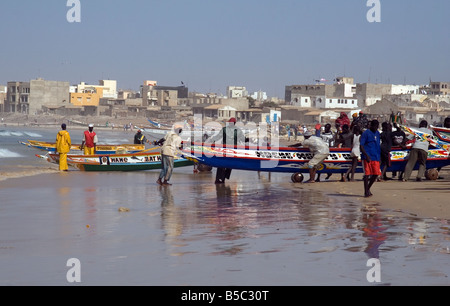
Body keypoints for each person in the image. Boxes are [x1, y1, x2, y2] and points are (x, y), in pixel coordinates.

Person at [210, 117, 246, 184]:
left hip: (224, 149)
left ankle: (219, 179)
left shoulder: (225, 129)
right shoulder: (238, 130)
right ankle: (223, 179)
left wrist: (211, 140)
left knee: (221, 164)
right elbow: (243, 139)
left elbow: (218, 137)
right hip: (232, 150)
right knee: (229, 164)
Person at [360, 120, 381, 198]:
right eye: (374, 126)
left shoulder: (378, 133)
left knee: (376, 174)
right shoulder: (366, 133)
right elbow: (361, 146)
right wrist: (366, 155)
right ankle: (366, 192)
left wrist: (379, 157)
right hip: (367, 157)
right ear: (371, 125)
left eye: (377, 126)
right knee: (367, 174)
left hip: (376, 157)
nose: (376, 128)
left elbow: (378, 145)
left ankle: (368, 188)